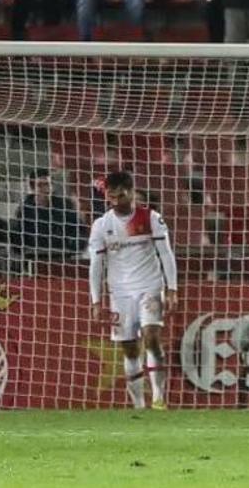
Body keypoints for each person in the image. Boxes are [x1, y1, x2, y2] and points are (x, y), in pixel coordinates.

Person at [88, 171, 179, 410]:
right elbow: (96, 265)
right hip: (119, 293)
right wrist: (96, 301)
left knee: (151, 338)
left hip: (150, 286)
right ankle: (139, 404)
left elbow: (166, 254)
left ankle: (159, 398)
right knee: (129, 349)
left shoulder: (151, 218)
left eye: (120, 195)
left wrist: (172, 289)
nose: (116, 200)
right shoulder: (101, 225)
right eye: (112, 196)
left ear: (131, 192)